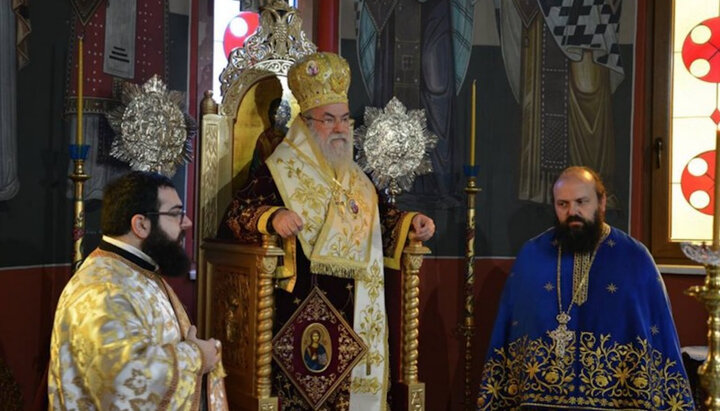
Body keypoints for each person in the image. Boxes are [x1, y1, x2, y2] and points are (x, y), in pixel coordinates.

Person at [218, 51, 435, 409]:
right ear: (305, 123)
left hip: (360, 307)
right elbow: (235, 214)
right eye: (329, 119)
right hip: (301, 310)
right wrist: (271, 217)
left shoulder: (358, 178)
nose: (340, 128)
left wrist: (411, 222)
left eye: (345, 119)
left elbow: (380, 218)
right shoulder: (278, 171)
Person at [476, 166, 694, 410]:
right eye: (563, 204)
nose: (573, 212)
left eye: (582, 202)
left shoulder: (634, 257)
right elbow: (510, 331)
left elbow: (657, 331)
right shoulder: (533, 255)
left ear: (601, 203)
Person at [49, 171, 228, 410]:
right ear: (141, 224)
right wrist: (196, 355)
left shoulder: (135, 271)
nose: (187, 222)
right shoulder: (103, 291)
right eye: (176, 213)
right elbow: (124, 379)